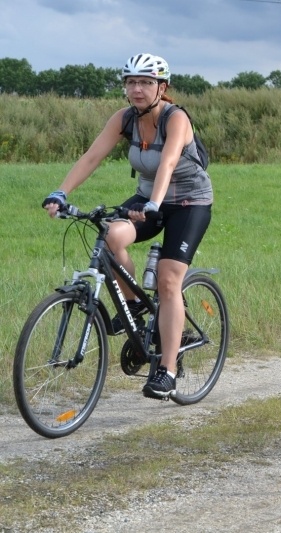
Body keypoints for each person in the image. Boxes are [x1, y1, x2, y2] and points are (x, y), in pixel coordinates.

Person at [42, 53, 213, 400]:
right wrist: (61, 192)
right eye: (131, 83)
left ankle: (167, 371)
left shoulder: (175, 117)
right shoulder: (124, 119)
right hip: (149, 198)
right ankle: (134, 306)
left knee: (167, 280)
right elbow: (91, 157)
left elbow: (167, 164)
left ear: (161, 88)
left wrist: (153, 206)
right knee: (110, 235)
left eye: (146, 83)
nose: (137, 89)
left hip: (188, 203)